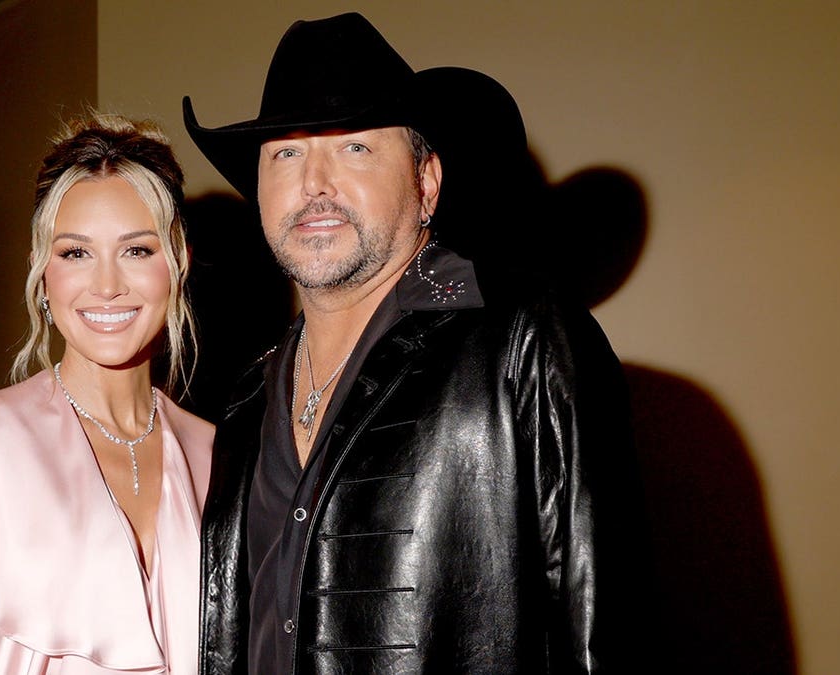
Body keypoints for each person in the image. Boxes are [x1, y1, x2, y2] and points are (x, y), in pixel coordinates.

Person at [182, 12, 647, 673]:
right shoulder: (243, 400)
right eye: (286, 152)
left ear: (426, 182)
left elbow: (609, 637)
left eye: (355, 147)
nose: (313, 182)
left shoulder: (523, 339)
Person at [0, 112, 214, 674]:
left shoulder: (216, 457)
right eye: (75, 253)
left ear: (178, 260)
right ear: (42, 270)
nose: (107, 285)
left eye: (137, 250)